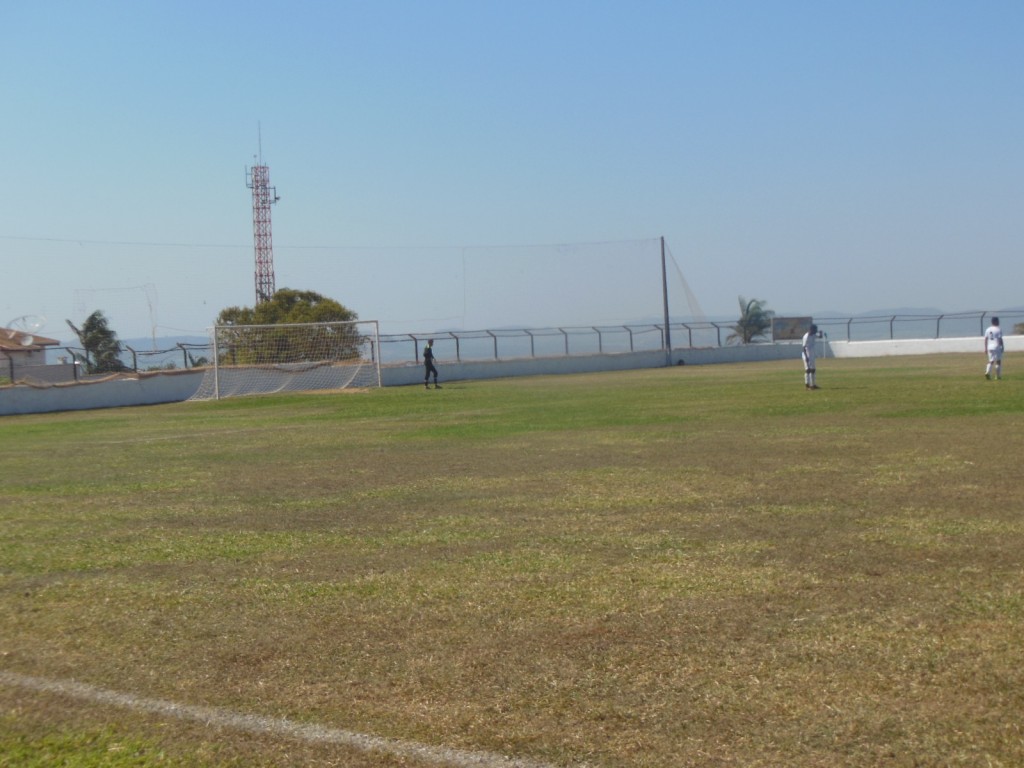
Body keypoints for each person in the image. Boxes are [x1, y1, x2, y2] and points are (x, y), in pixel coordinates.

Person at [984, 316, 1004, 380]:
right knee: (998, 361)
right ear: (995, 321)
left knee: (991, 361)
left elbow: (986, 339)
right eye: (998, 321)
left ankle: (987, 372)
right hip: (996, 346)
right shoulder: (998, 329)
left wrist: (985, 348)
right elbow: (1000, 339)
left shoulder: (988, 329)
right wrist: (1002, 346)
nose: (999, 322)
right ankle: (998, 376)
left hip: (990, 347)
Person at [802, 324, 821, 389]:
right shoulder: (806, 337)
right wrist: (806, 357)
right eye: (815, 329)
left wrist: (821, 333)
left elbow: (820, 337)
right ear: (811, 330)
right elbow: (803, 348)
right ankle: (807, 385)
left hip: (812, 354)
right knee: (808, 370)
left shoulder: (813, 335)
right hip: (806, 354)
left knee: (813, 369)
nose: (816, 331)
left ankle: (813, 384)